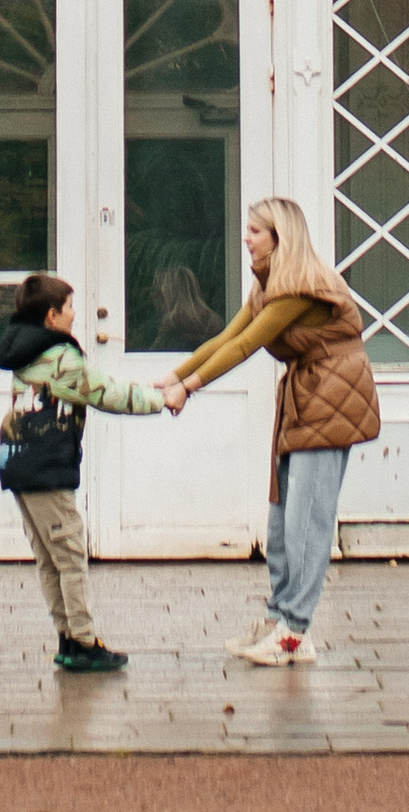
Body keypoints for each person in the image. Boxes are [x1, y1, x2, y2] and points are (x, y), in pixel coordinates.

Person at [162, 195, 379, 665]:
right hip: (305, 395)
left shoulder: (302, 285)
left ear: (281, 237)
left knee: (308, 521)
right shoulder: (269, 285)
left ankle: (295, 631)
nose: (246, 237)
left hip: (332, 397)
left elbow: (246, 346)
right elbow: (226, 336)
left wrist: (190, 387)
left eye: (256, 230)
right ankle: (282, 615)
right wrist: (175, 376)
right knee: (282, 520)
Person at [0, 270, 183, 675]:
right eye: (70, 307)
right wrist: (160, 399)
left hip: (18, 463)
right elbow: (105, 393)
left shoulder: (23, 350)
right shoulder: (61, 357)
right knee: (71, 556)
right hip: (47, 467)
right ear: (51, 316)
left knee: (49, 557)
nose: (75, 314)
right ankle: (82, 640)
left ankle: (66, 636)